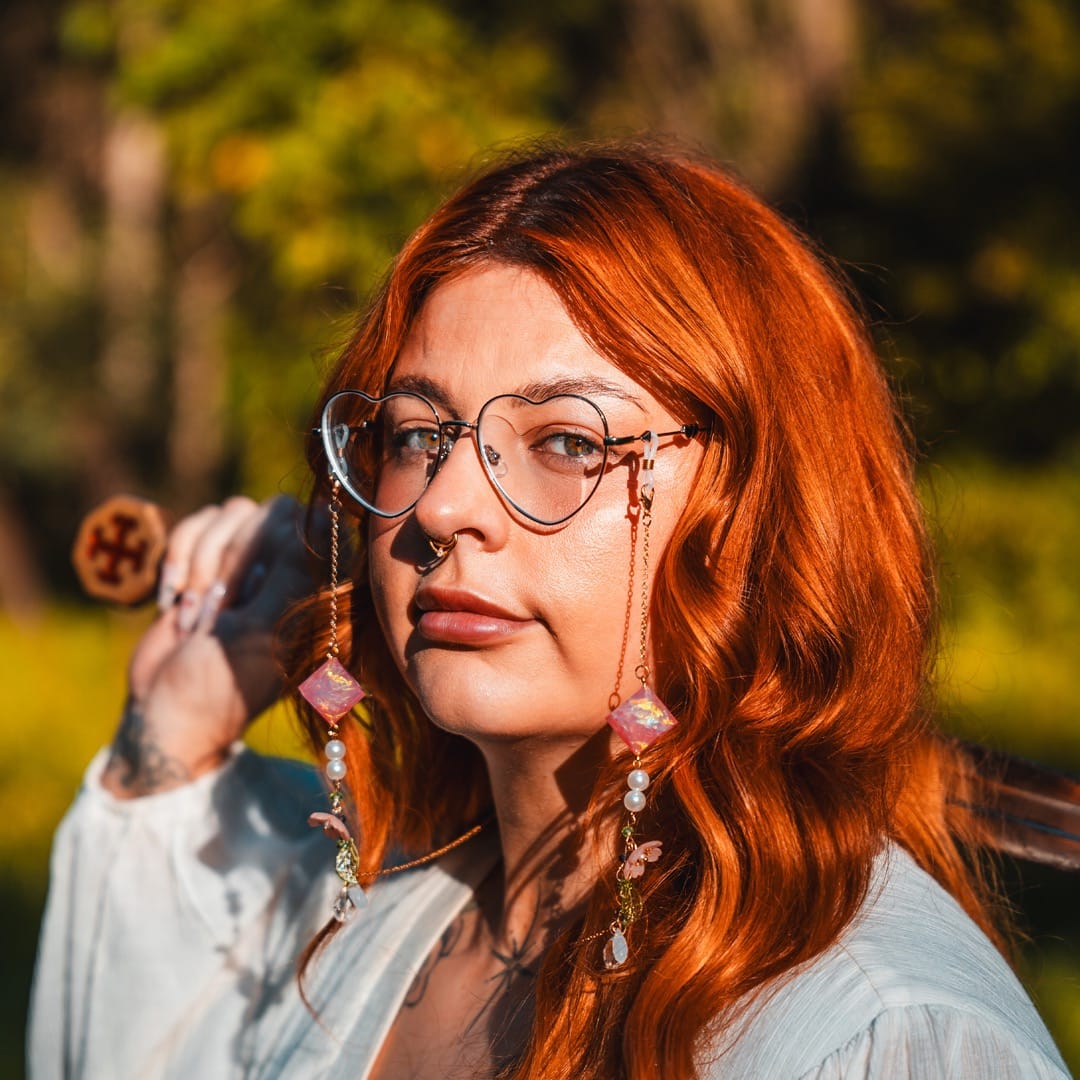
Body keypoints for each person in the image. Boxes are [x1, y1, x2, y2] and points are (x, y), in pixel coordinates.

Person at [28, 142, 1070, 1079]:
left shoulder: (878, 1038)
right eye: (415, 435)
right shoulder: (380, 922)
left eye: (568, 441)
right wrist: (168, 735)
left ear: (761, 510)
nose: (441, 506)